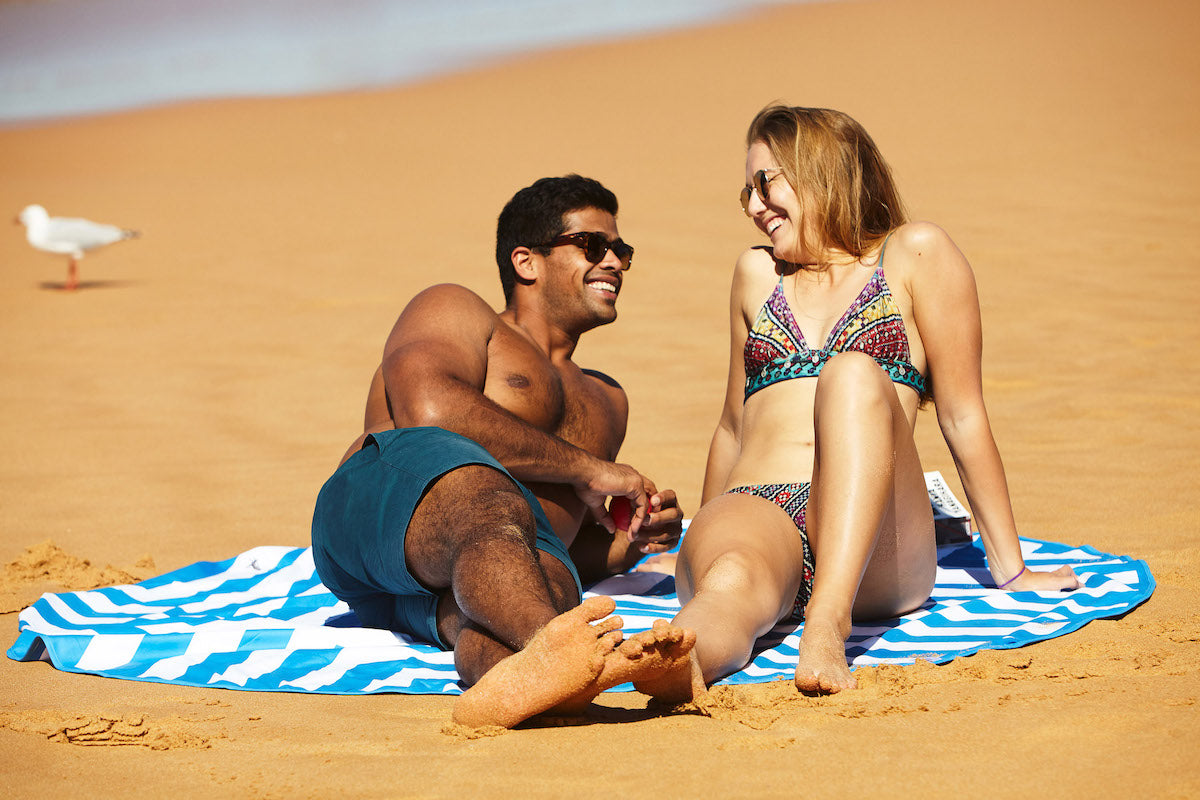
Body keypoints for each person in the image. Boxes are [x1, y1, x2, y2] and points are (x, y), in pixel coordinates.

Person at [636, 105, 1079, 702]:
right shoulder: (755, 274)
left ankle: (828, 622)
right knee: (728, 584)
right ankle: (629, 669)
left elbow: (962, 414)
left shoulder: (913, 255)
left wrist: (1013, 569)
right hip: (759, 508)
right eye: (746, 191)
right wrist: (701, 542)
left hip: (880, 539)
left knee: (851, 375)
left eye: (765, 184)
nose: (751, 206)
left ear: (822, 171)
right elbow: (733, 426)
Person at [311, 175, 694, 729]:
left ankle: (541, 686)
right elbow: (430, 412)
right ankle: (581, 656)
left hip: (469, 573)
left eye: (621, 251)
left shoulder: (608, 399)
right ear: (526, 262)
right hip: (384, 513)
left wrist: (628, 545)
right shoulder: (458, 312)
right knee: (490, 498)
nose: (613, 260)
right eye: (592, 245)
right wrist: (590, 468)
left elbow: (568, 540)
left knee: (549, 583)